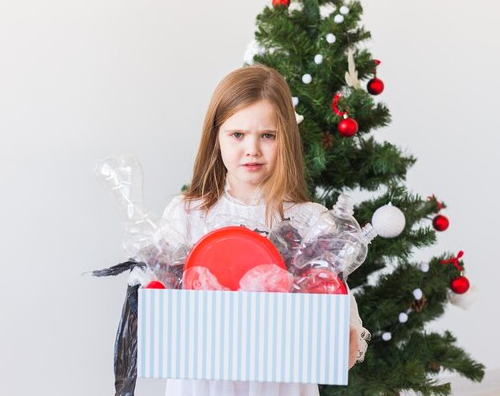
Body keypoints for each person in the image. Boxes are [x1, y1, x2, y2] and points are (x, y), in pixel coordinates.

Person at [158, 65, 369, 396]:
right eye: (237, 135)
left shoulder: (312, 221)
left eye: (267, 135)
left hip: (281, 386)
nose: (252, 149)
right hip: (201, 385)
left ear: (285, 138)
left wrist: (347, 336)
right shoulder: (186, 216)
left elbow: (338, 303)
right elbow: (157, 304)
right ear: (216, 137)